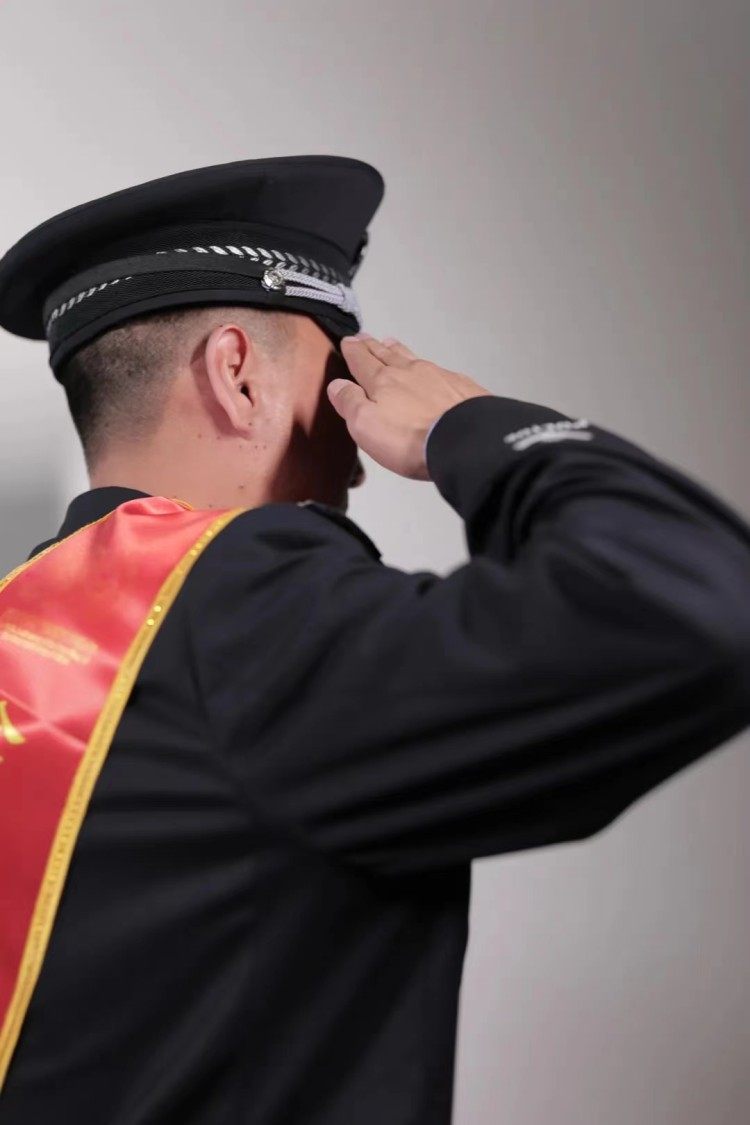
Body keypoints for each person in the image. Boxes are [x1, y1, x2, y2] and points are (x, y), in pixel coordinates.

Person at [0, 155, 748, 1125]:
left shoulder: (24, 633)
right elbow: (693, 599)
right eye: (341, 381)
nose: (356, 451)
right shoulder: (249, 614)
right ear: (236, 372)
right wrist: (471, 428)